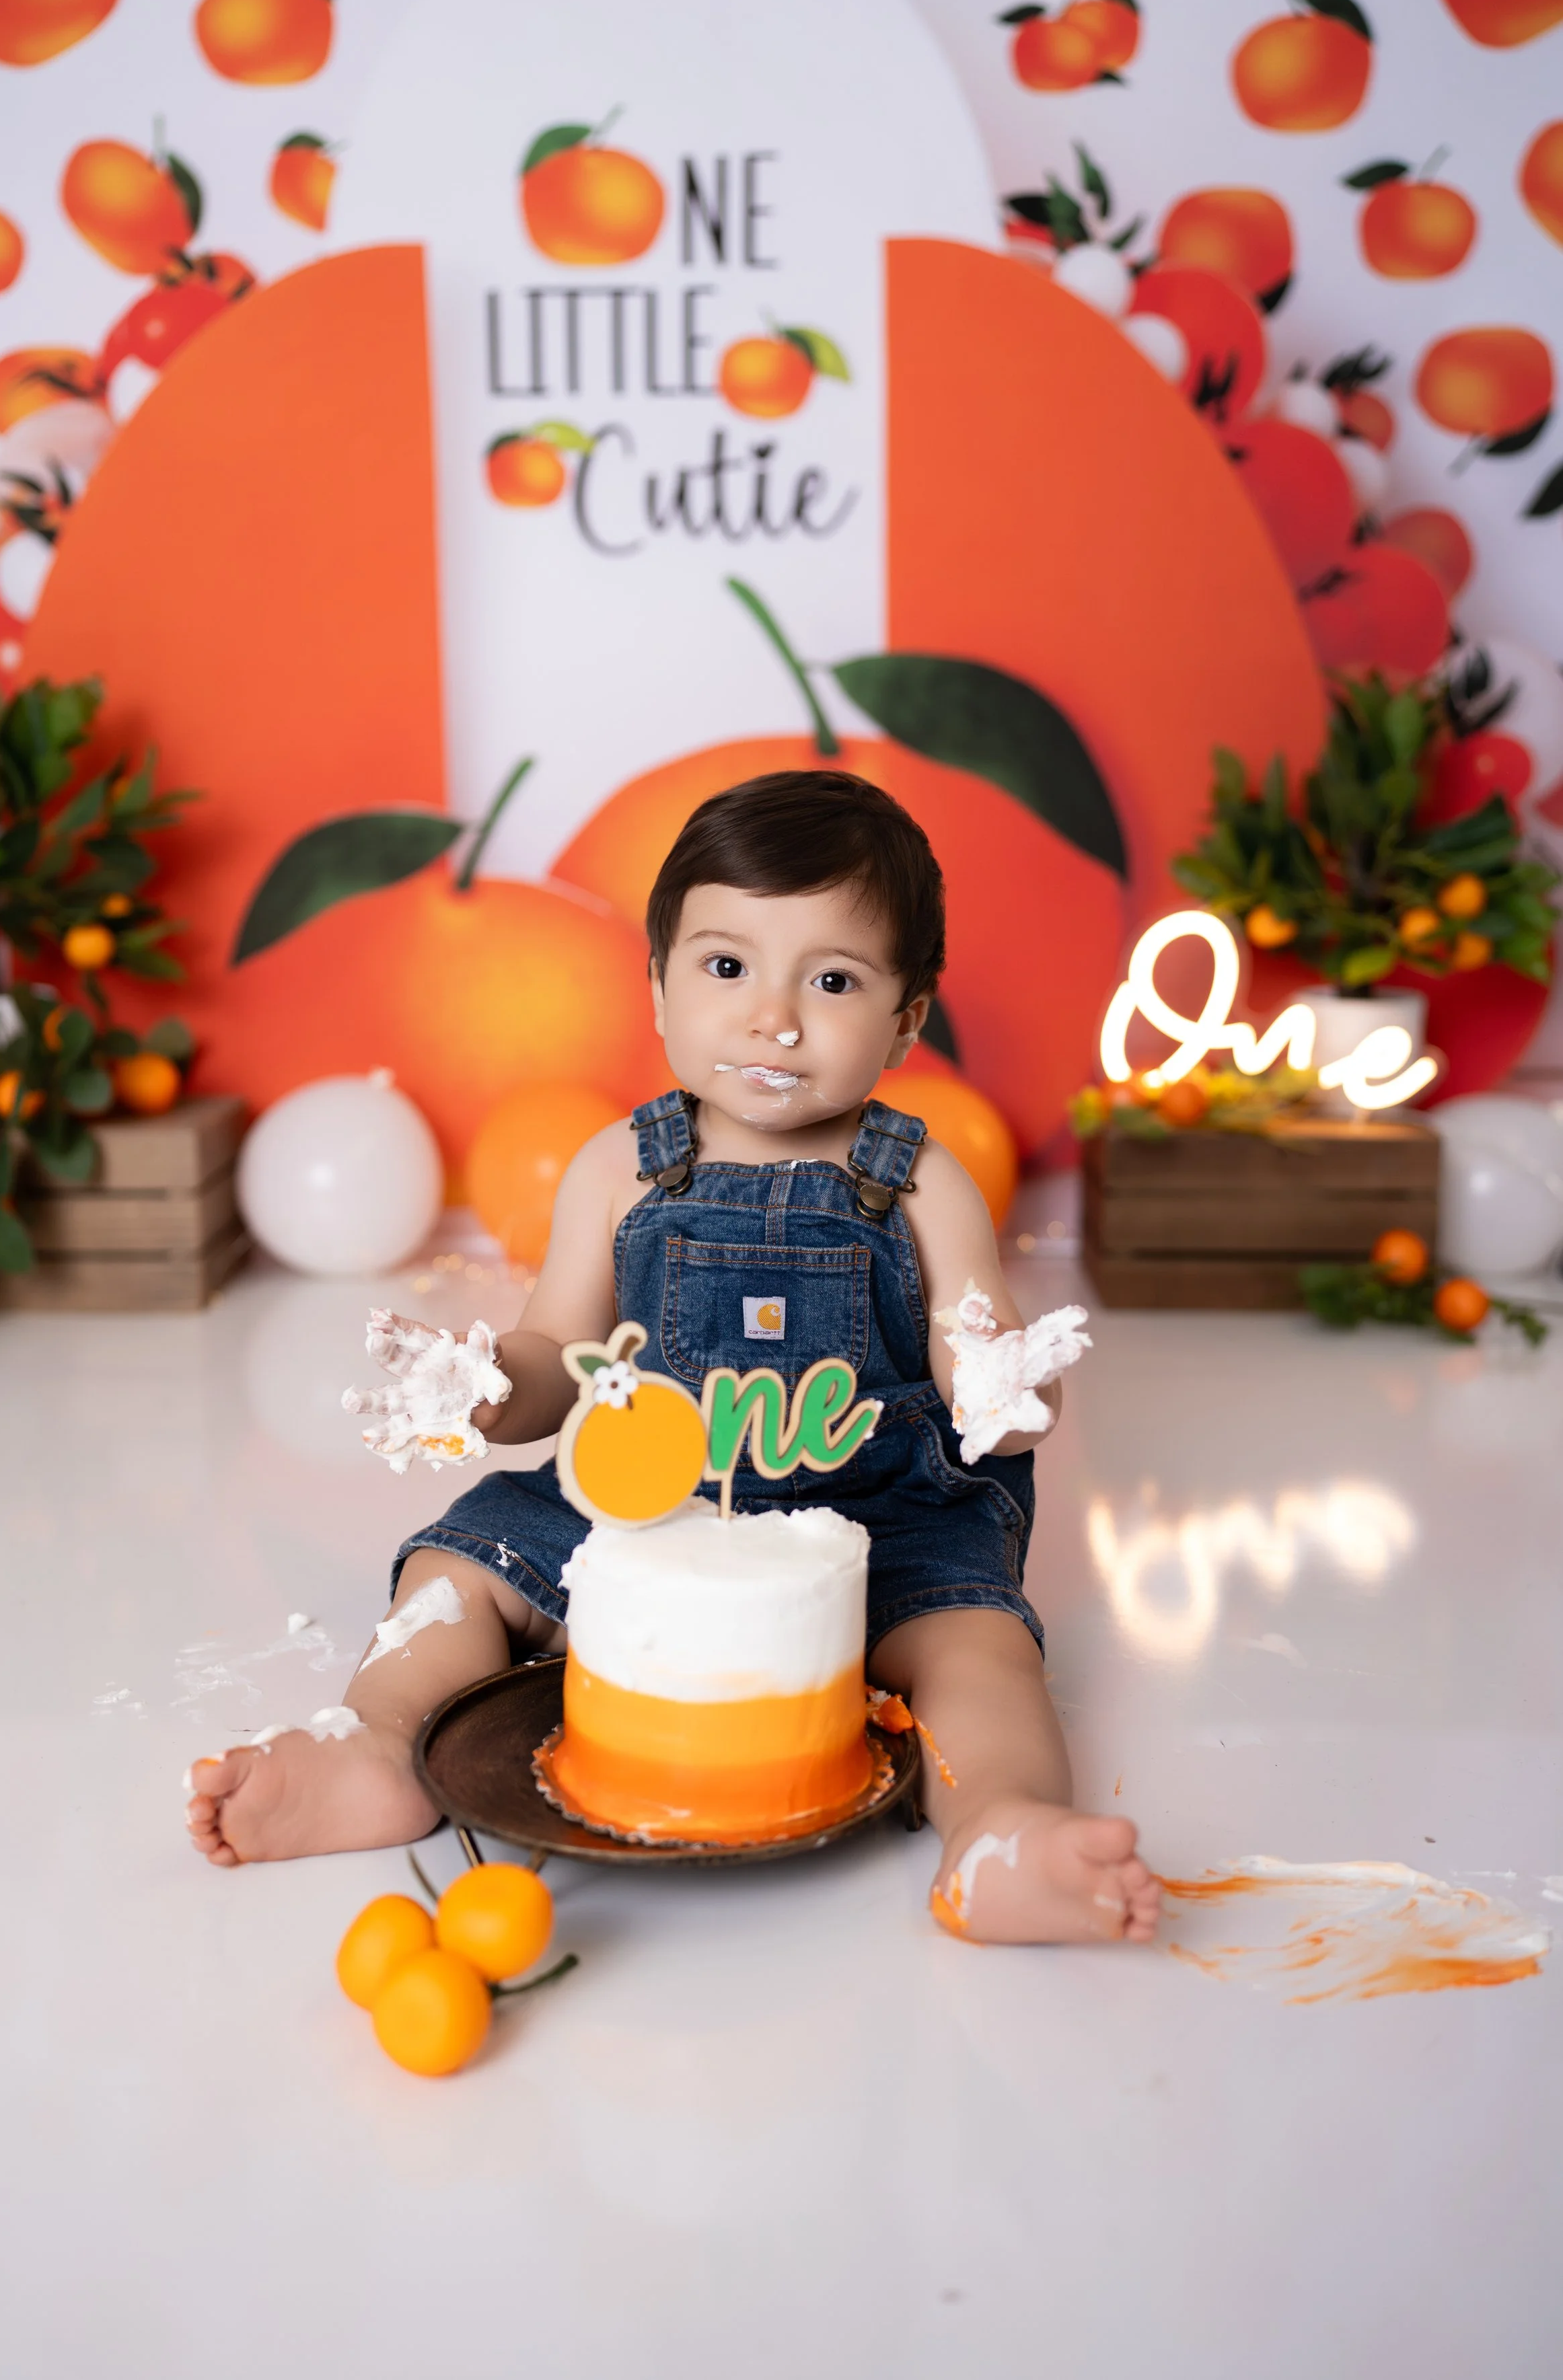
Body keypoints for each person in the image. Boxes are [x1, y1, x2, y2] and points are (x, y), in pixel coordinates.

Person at [188, 770, 1159, 1945]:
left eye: (833, 980)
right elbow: (557, 1352)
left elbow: (975, 1347)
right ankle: (380, 1743)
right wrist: (490, 1386)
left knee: (979, 1650)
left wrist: (1005, 1384)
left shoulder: (920, 1180)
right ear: (657, 988)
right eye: (727, 965)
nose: (774, 1018)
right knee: (458, 1564)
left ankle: (1000, 1828)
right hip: (642, 1509)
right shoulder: (621, 1167)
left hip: (883, 1512)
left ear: (908, 1019)